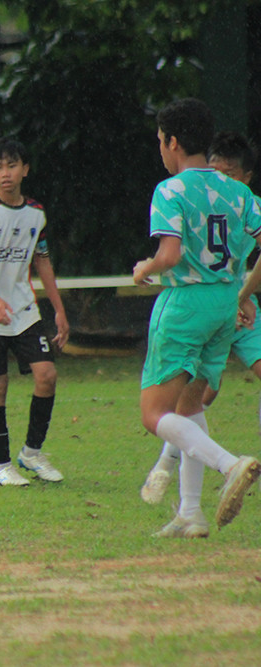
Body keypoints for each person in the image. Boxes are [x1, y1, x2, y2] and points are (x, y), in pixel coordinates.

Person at [133, 99, 261, 537]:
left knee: (154, 413)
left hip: (186, 304)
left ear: (172, 142)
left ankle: (230, 464)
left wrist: (144, 269)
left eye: (160, 142)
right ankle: (190, 512)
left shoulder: (169, 190)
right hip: (225, 303)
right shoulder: (239, 191)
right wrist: (243, 293)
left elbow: (168, 255)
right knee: (189, 406)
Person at [0, 136, 70, 487]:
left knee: (47, 376)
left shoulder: (36, 214)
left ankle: (32, 452)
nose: (5, 173)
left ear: (25, 169)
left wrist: (58, 310)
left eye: (12, 165)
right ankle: (2, 466)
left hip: (25, 310)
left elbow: (42, 260)